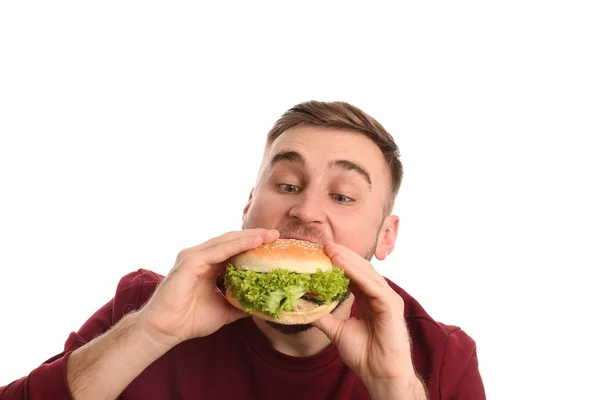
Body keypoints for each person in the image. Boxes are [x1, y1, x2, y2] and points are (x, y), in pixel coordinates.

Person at [0, 101, 486, 399]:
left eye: (342, 196)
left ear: (387, 235)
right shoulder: (145, 306)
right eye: (287, 184)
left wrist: (394, 389)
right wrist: (149, 334)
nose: (307, 212)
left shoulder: (440, 356)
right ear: (250, 204)